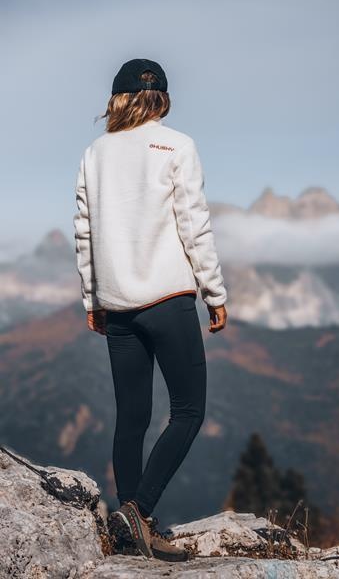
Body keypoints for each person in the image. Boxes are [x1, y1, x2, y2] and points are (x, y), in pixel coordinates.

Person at [73, 58, 228, 561]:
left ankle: (128, 530)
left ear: (117, 99)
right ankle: (137, 512)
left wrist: (92, 297)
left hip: (118, 305)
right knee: (188, 411)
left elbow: (85, 231)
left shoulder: (95, 153)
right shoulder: (177, 145)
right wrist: (214, 292)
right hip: (168, 300)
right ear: (161, 98)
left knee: (131, 417)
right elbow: (194, 224)